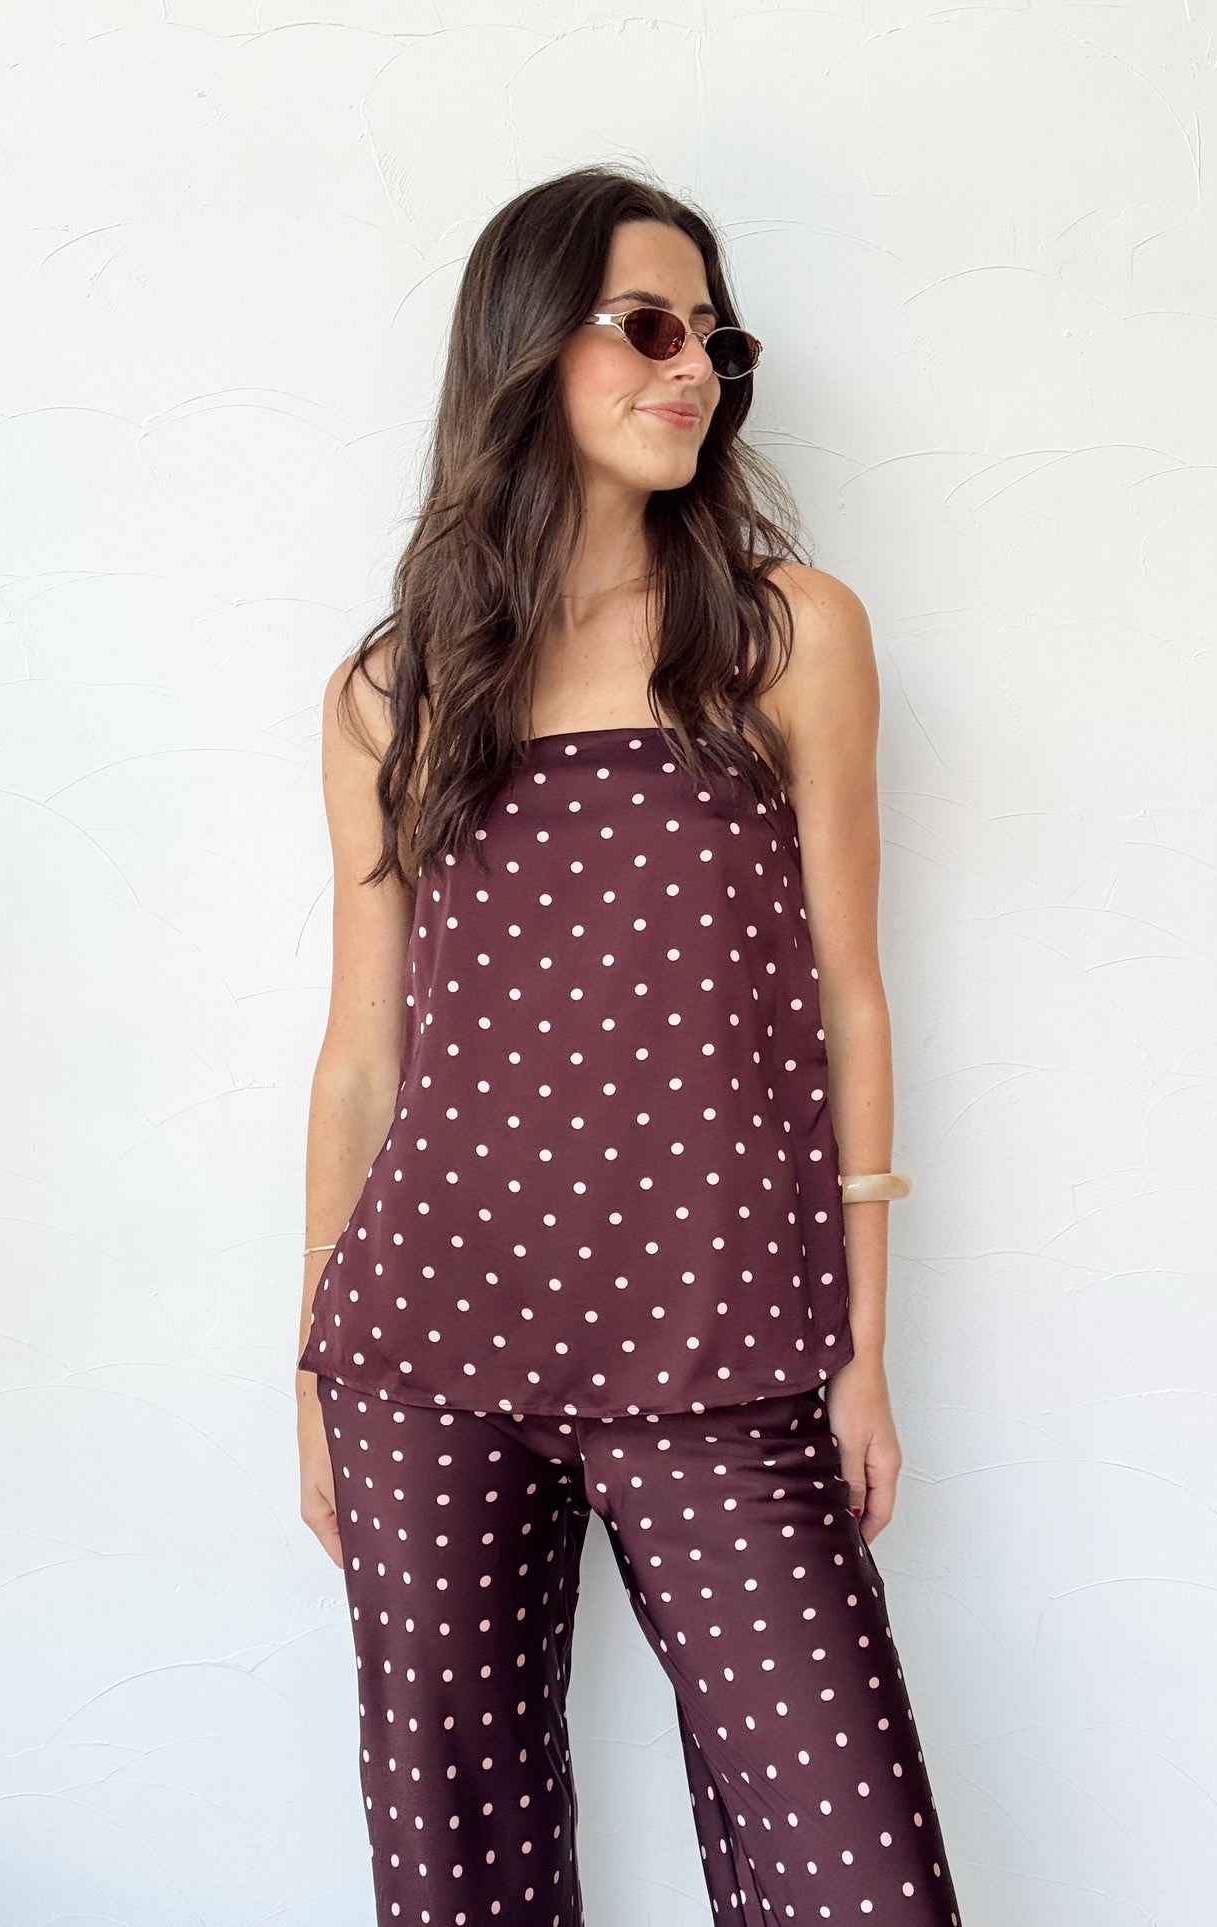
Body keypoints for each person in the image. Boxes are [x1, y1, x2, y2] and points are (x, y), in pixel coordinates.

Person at [294, 163, 965, 1925]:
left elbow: (848, 995)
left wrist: (859, 1348)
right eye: (650, 327)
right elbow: (361, 1057)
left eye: (715, 342)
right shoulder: (393, 691)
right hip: (426, 1344)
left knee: (854, 1880)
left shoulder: (785, 633)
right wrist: (309, 1369)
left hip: (720, 1339)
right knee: (461, 1878)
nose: (693, 372)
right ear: (528, 349)